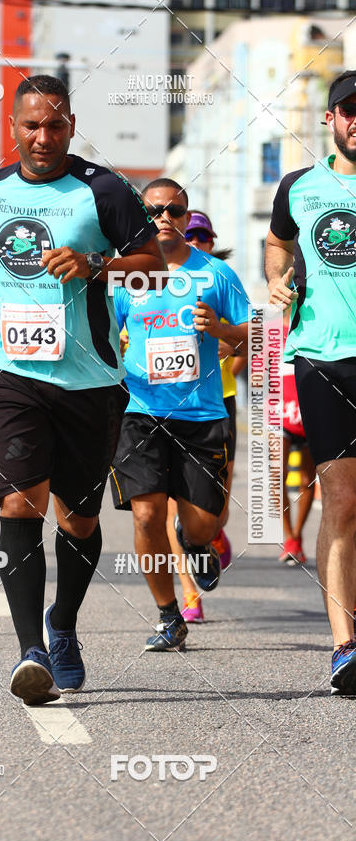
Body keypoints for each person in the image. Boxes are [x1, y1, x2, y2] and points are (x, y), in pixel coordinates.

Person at [0, 74, 164, 704]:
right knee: (18, 504)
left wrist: (99, 264)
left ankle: (62, 625)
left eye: (55, 125)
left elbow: (154, 265)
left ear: (71, 126)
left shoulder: (104, 190)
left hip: (89, 377)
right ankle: (30, 649)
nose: (44, 136)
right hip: (9, 371)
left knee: (81, 520)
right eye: (32, 125)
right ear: (14, 127)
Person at [110, 178, 250, 651]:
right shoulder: (126, 278)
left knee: (203, 526)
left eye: (174, 210)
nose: (163, 218)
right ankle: (169, 616)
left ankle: (195, 544)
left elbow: (259, 334)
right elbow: (99, 333)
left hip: (202, 415)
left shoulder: (215, 274)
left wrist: (225, 328)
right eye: (153, 211)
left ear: (188, 218)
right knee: (146, 515)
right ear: (141, 217)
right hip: (140, 411)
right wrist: (117, 346)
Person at [265, 70, 356, 694]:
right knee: (344, 502)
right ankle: (344, 644)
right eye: (350, 111)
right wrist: (277, 281)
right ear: (331, 119)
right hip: (324, 357)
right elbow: (277, 244)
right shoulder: (300, 186)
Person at [185, 211, 247, 580]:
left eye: (201, 237)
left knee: (216, 508)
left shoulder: (220, 282)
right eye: (189, 235)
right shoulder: (159, 278)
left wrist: (230, 345)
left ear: (211, 241)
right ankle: (186, 601)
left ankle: (207, 533)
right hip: (167, 402)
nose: (194, 242)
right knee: (173, 502)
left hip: (217, 400)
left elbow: (254, 341)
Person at [280, 308, 316, 565]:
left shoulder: (312, 324)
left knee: (307, 479)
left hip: (310, 409)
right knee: (275, 478)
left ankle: (298, 536)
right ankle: (289, 537)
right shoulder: (270, 328)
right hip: (279, 412)